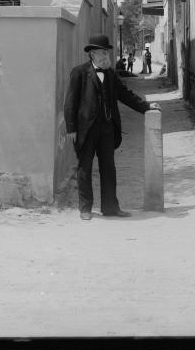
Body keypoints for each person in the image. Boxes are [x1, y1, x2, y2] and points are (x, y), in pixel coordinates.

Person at [64, 34, 160, 220]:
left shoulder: (110, 73)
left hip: (107, 129)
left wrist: (146, 106)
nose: (105, 56)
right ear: (92, 54)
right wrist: (71, 129)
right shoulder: (79, 73)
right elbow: (70, 103)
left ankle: (110, 207)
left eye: (106, 52)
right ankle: (85, 208)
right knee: (84, 168)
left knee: (108, 168)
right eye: (101, 53)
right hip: (86, 130)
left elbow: (125, 94)